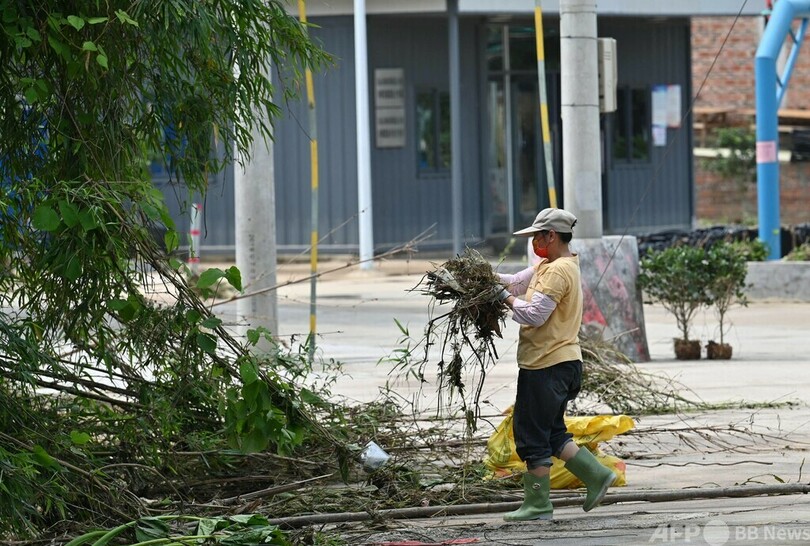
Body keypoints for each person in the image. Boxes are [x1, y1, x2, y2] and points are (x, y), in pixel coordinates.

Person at [493, 207, 616, 521]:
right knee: (551, 434)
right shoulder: (546, 266)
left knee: (530, 434)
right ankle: (597, 476)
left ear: (551, 235)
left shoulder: (560, 270)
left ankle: (538, 505)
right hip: (555, 364)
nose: (534, 241)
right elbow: (513, 283)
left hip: (548, 365)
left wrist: (501, 298)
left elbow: (534, 314)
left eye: (537, 235)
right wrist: (483, 279)